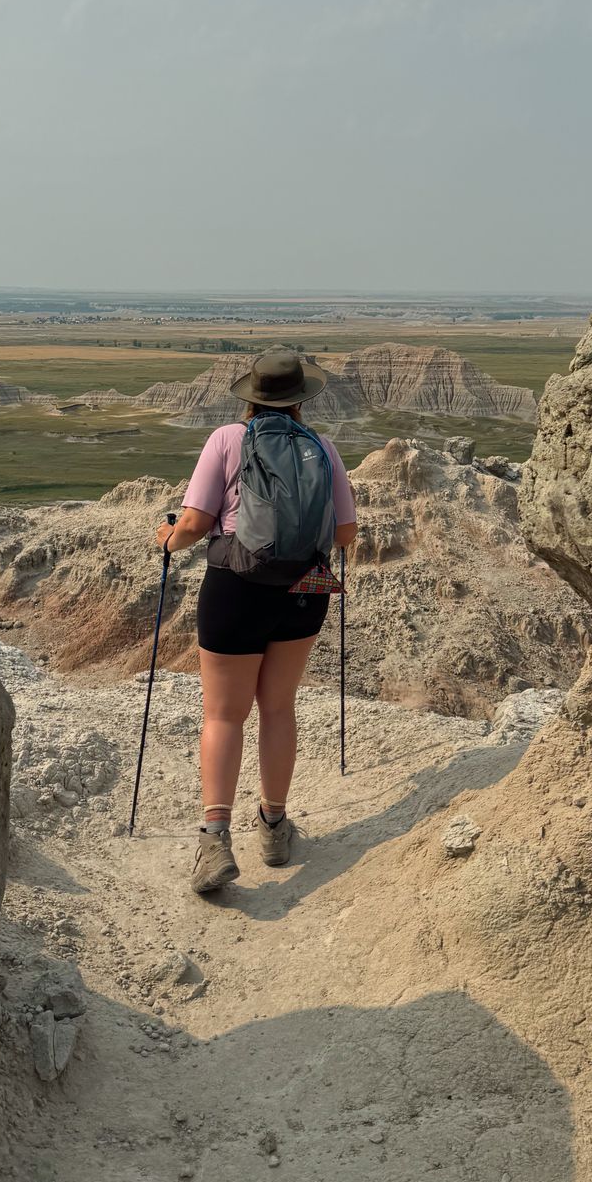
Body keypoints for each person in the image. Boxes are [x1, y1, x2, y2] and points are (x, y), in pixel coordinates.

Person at [154, 349, 357, 895]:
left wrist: (168, 538)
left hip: (236, 586)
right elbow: (344, 534)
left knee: (223, 715)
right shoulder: (324, 446)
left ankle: (216, 840)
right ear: (300, 399)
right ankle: (273, 827)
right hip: (307, 588)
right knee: (278, 707)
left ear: (249, 396)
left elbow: (195, 523)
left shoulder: (226, 439)